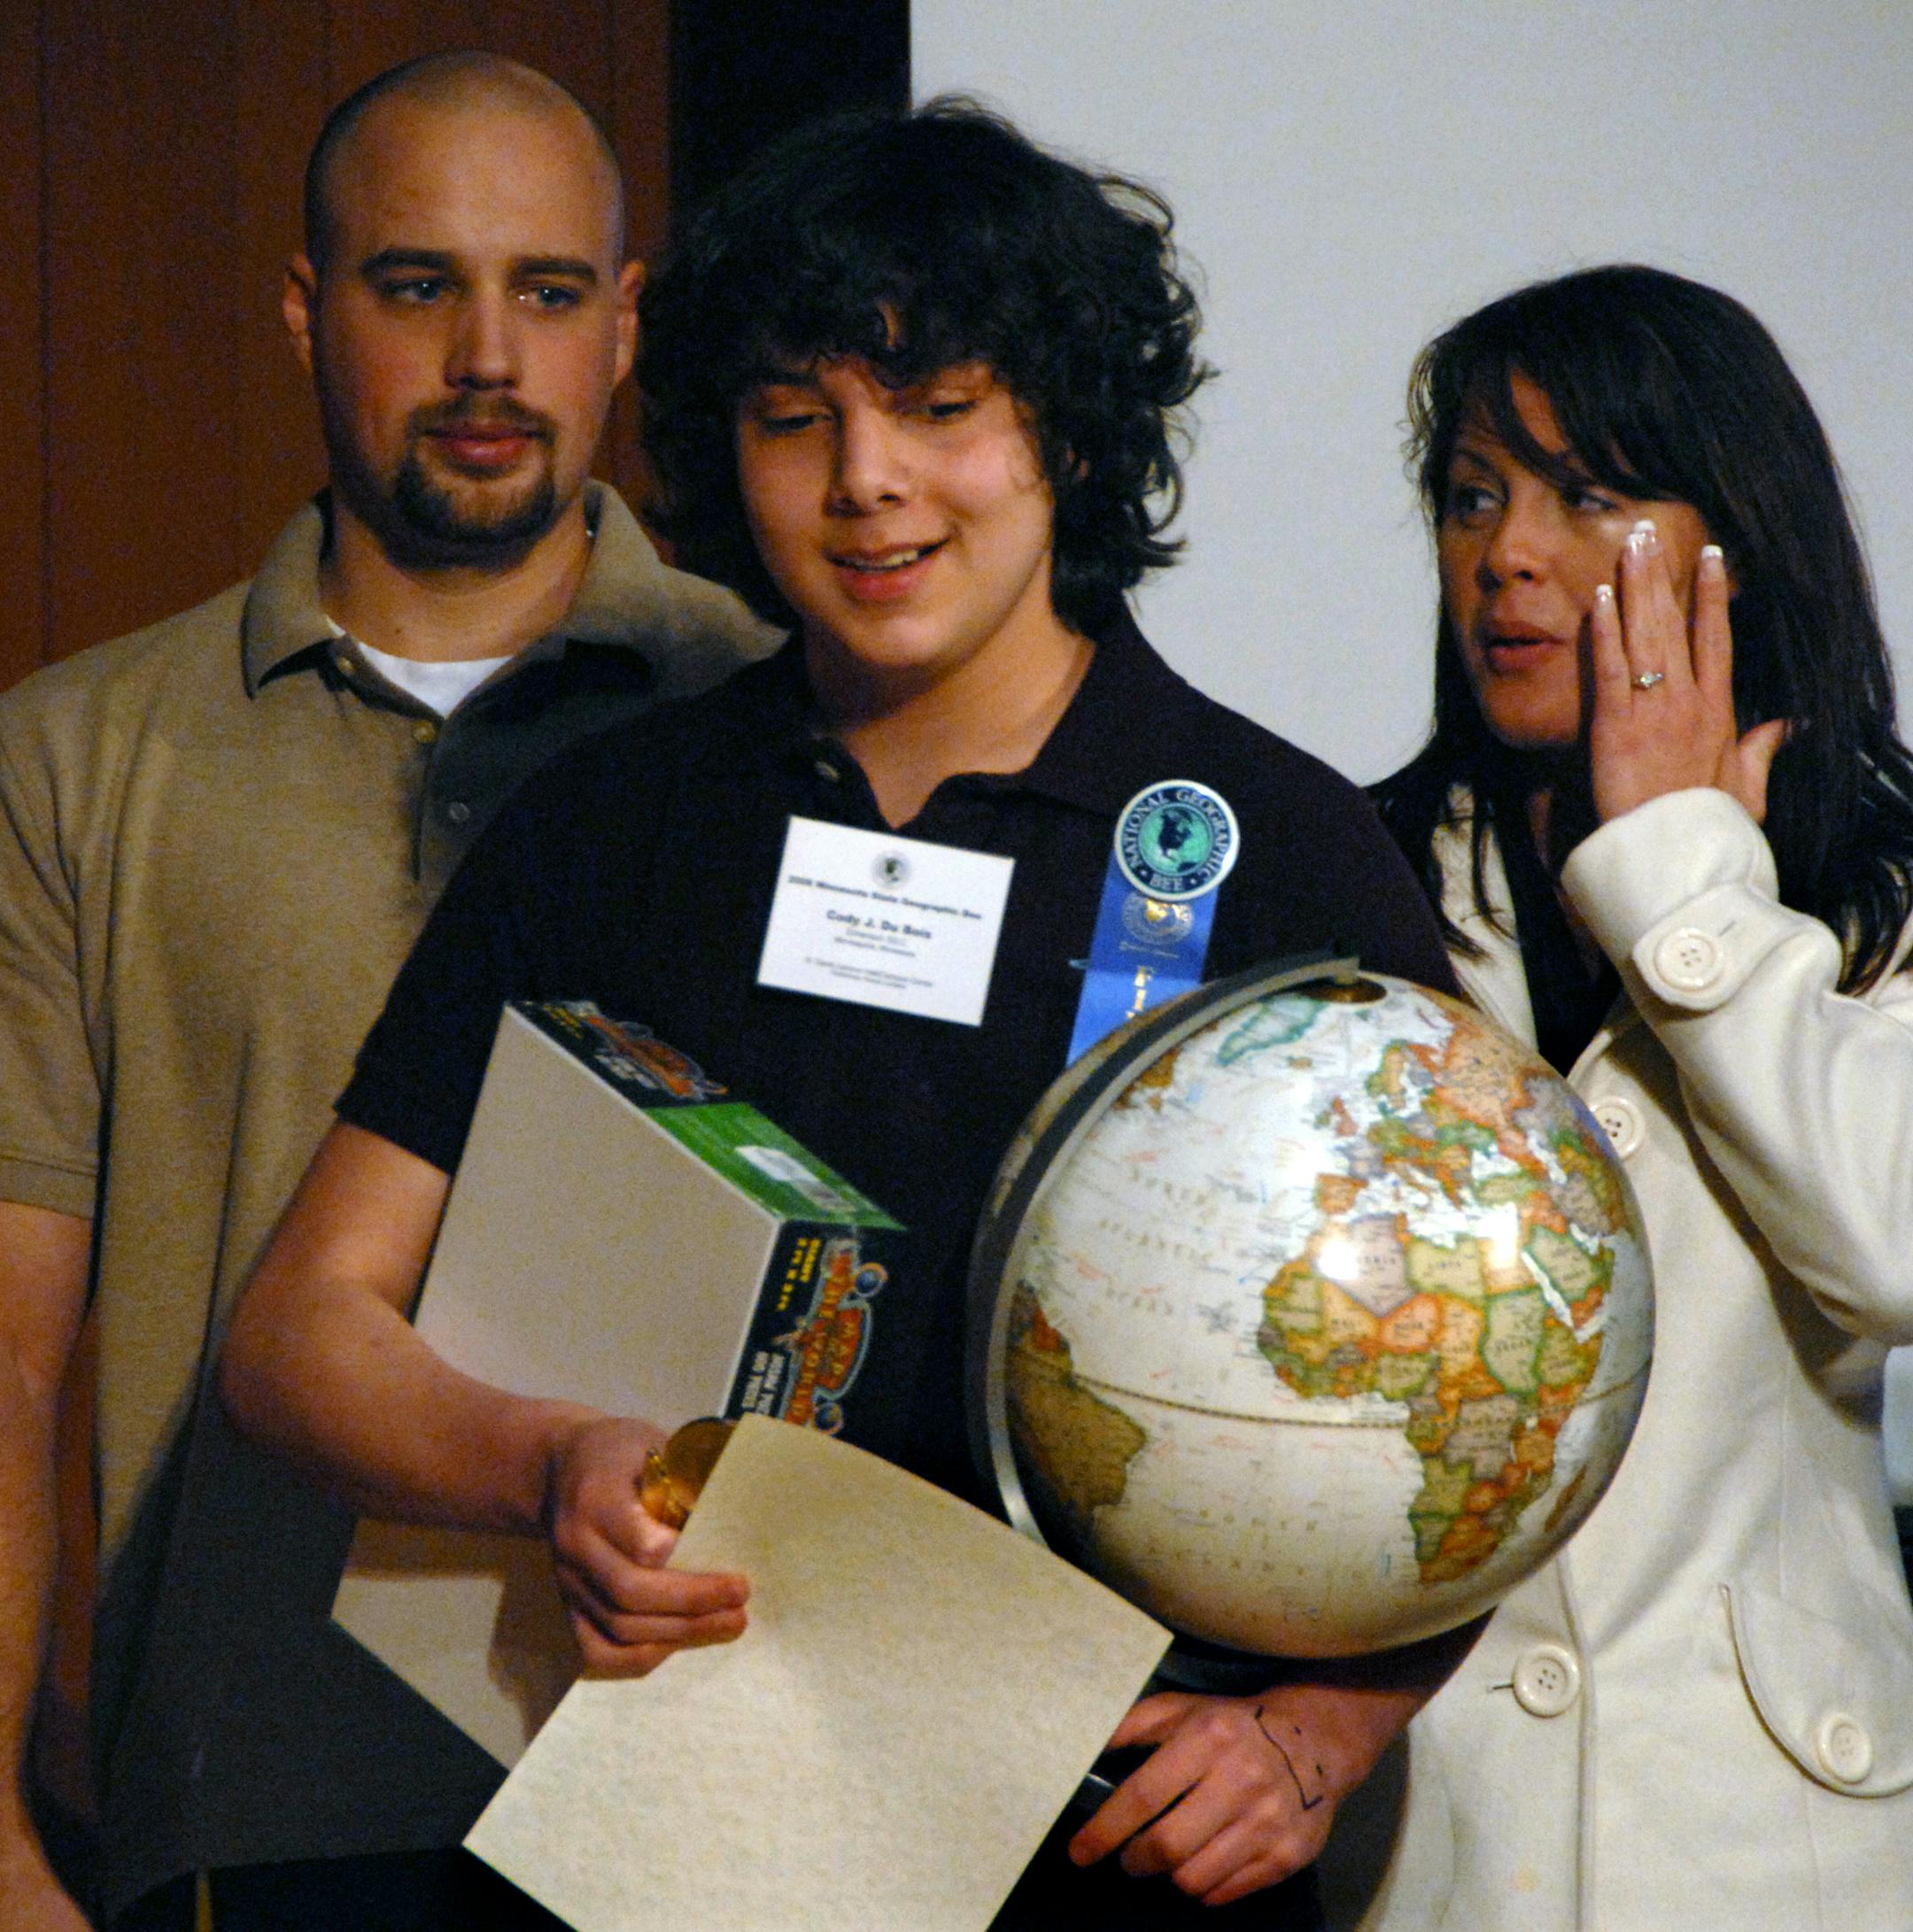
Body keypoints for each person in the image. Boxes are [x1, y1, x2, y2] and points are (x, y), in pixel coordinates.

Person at [221, 101, 1471, 1928]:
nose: (867, 480)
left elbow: (1494, 1394)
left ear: (1069, 424)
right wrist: (550, 1463)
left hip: (1109, 1858)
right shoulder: (611, 818)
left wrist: (1328, 1728)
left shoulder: (1277, 846)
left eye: (943, 406)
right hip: (651, 1839)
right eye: (796, 418)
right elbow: (298, 1333)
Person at [0, 50, 775, 1932]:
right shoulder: (84, 752)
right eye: (419, 284)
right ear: (303, 310)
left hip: (725, 1768)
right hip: (263, 1789)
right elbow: (9, 1352)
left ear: (626, 327)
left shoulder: (779, 717)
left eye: (552, 291)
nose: (490, 356)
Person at [1344, 264, 1913, 1928]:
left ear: (1735, 537)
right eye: (1471, 496)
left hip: (1773, 1847)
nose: (1507, 553)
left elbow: (1890, 1253)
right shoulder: (1359, 882)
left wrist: (1684, 874)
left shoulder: (1879, 896)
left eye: (1587, 494)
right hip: (1432, 1845)